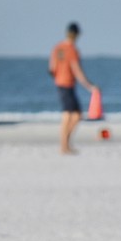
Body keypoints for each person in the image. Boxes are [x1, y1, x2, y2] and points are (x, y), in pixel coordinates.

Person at [49, 22, 97, 154]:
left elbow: (52, 68)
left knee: (76, 115)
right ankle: (64, 145)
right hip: (67, 84)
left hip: (61, 83)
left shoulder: (57, 48)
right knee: (69, 115)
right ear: (76, 35)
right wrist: (89, 86)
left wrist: (58, 76)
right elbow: (77, 70)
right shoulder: (72, 50)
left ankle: (66, 144)